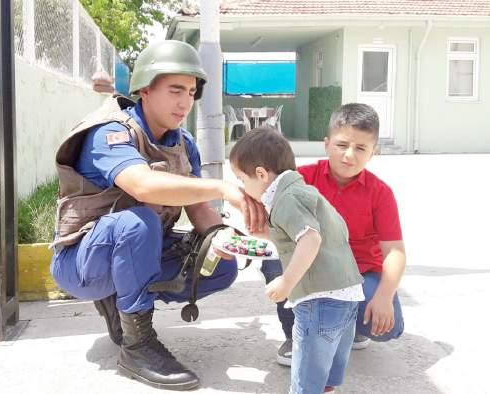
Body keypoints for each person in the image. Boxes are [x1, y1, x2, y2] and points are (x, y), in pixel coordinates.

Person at [50, 40, 265, 391]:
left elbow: (197, 209)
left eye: (192, 92)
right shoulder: (111, 132)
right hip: (82, 262)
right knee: (139, 221)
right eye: (175, 89)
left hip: (138, 248)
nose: (185, 102)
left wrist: (226, 237)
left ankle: (120, 303)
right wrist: (223, 188)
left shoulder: (184, 143)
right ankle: (137, 347)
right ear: (145, 90)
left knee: (218, 264)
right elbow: (144, 186)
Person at [229, 128, 364, 394]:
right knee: (325, 372)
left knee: (305, 379)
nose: (243, 188)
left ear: (260, 174)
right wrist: (269, 233)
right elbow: (326, 232)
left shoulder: (287, 200)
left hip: (319, 298)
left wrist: (286, 281)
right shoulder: (305, 192)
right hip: (347, 294)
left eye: (241, 180)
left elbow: (310, 240)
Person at [272, 103, 406, 367]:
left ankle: (347, 327)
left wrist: (384, 296)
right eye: (341, 145)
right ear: (326, 144)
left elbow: (395, 252)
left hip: (358, 274)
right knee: (273, 260)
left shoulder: (380, 193)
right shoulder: (302, 179)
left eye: (360, 148)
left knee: (388, 328)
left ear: (373, 152)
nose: (349, 156)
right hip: (311, 267)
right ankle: (295, 335)